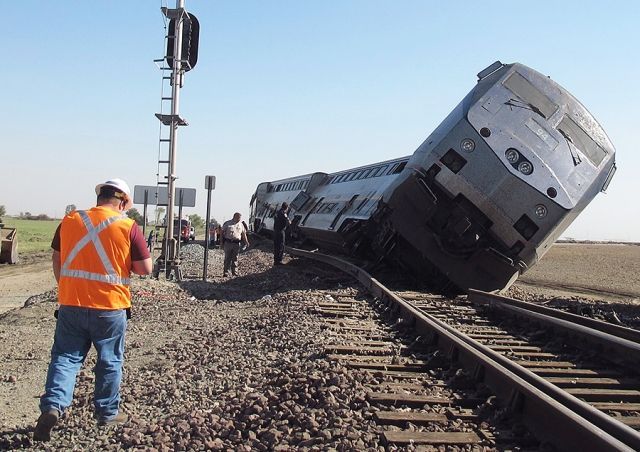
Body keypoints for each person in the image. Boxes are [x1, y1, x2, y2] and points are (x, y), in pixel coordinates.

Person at [34, 179, 153, 442]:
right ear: (123, 202)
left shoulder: (70, 219)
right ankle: (107, 413)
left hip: (71, 303)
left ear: (100, 197)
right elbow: (145, 269)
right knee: (109, 360)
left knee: (65, 358)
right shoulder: (127, 225)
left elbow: (57, 257)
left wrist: (67, 287)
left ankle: (53, 406)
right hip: (110, 308)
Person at [221, 212, 249, 277]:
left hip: (237, 244)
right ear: (234, 216)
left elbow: (244, 234)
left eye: (240, 218)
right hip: (228, 243)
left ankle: (234, 272)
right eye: (238, 217)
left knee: (235, 258)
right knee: (227, 258)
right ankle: (226, 272)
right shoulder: (227, 223)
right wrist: (221, 243)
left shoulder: (241, 225)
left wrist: (246, 242)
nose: (239, 219)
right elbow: (222, 232)